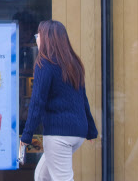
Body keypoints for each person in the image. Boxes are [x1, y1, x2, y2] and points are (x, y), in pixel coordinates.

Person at [21, 20, 98, 181]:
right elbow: (83, 99)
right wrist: (91, 130)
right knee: (42, 176)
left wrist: (26, 136)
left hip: (59, 134)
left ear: (47, 39)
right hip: (77, 132)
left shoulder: (44, 63)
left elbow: (37, 102)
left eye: (38, 35)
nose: (37, 39)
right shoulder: (73, 64)